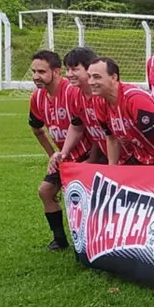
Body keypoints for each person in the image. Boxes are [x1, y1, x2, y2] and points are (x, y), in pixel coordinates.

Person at [28, 50, 94, 251]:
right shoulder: (37, 97)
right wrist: (52, 155)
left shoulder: (72, 92)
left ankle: (91, 241)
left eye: (41, 71)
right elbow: (36, 128)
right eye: (33, 71)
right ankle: (59, 239)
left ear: (56, 72)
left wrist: (93, 158)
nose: (35, 76)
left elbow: (89, 126)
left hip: (88, 154)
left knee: (84, 199)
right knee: (45, 191)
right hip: (65, 157)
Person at [49, 47, 133, 170]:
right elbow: (77, 126)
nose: (69, 74)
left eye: (74, 69)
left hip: (128, 155)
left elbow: (115, 133)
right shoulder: (75, 94)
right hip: (108, 155)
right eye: (67, 69)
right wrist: (64, 152)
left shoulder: (104, 96)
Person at [88, 57, 154, 167]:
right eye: (89, 77)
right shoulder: (99, 101)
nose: (91, 82)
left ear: (114, 77)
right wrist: (111, 170)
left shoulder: (134, 99)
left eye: (97, 77)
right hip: (141, 157)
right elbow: (111, 137)